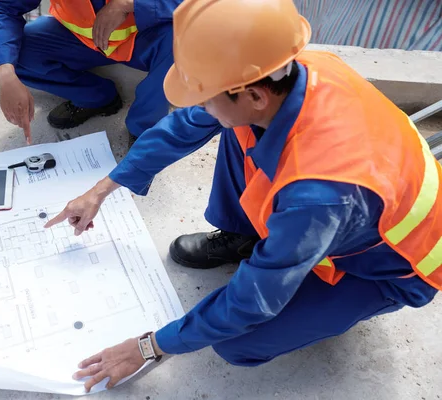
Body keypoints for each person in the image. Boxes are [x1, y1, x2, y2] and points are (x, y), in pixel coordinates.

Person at [44, 0, 442, 393]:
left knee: (237, 341)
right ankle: (244, 239)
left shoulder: (317, 195)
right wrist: (101, 190)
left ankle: (331, 295)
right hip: (360, 202)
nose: (199, 104)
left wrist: (148, 346)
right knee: (235, 129)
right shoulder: (291, 72)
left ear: (253, 95)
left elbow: (251, 302)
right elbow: (183, 126)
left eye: (205, 95)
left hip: (391, 266)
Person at [0, 0, 183, 146]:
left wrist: (129, 4)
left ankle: (144, 130)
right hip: (81, 40)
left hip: (145, 38)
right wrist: (5, 74)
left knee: (180, 44)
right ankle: (97, 99)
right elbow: (5, 9)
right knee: (14, 54)